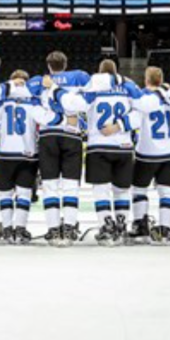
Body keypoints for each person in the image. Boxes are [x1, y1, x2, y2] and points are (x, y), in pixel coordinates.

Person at [57, 59, 140, 244]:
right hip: (124, 146)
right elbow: (140, 113)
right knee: (121, 191)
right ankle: (121, 227)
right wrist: (119, 126)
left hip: (98, 146)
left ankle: (106, 226)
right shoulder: (128, 85)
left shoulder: (92, 85)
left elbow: (76, 105)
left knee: (101, 191)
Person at [0, 71, 51, 243]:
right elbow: (47, 119)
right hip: (28, 154)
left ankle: (7, 229)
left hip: (6, 153)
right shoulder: (34, 99)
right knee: (24, 194)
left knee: (5, 195)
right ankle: (20, 230)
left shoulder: (2, 100)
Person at [29, 51, 91, 243]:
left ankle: (54, 229)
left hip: (48, 136)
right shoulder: (79, 77)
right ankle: (69, 228)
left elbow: (33, 109)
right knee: (71, 186)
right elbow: (88, 102)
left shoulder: (38, 81)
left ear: (48, 65)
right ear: (65, 64)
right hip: (71, 135)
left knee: (50, 186)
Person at [128, 66, 170, 242]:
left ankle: (141, 226)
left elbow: (134, 121)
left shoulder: (142, 97)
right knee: (167, 192)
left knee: (139, 190)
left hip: (147, 152)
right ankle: (164, 229)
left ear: (146, 79)